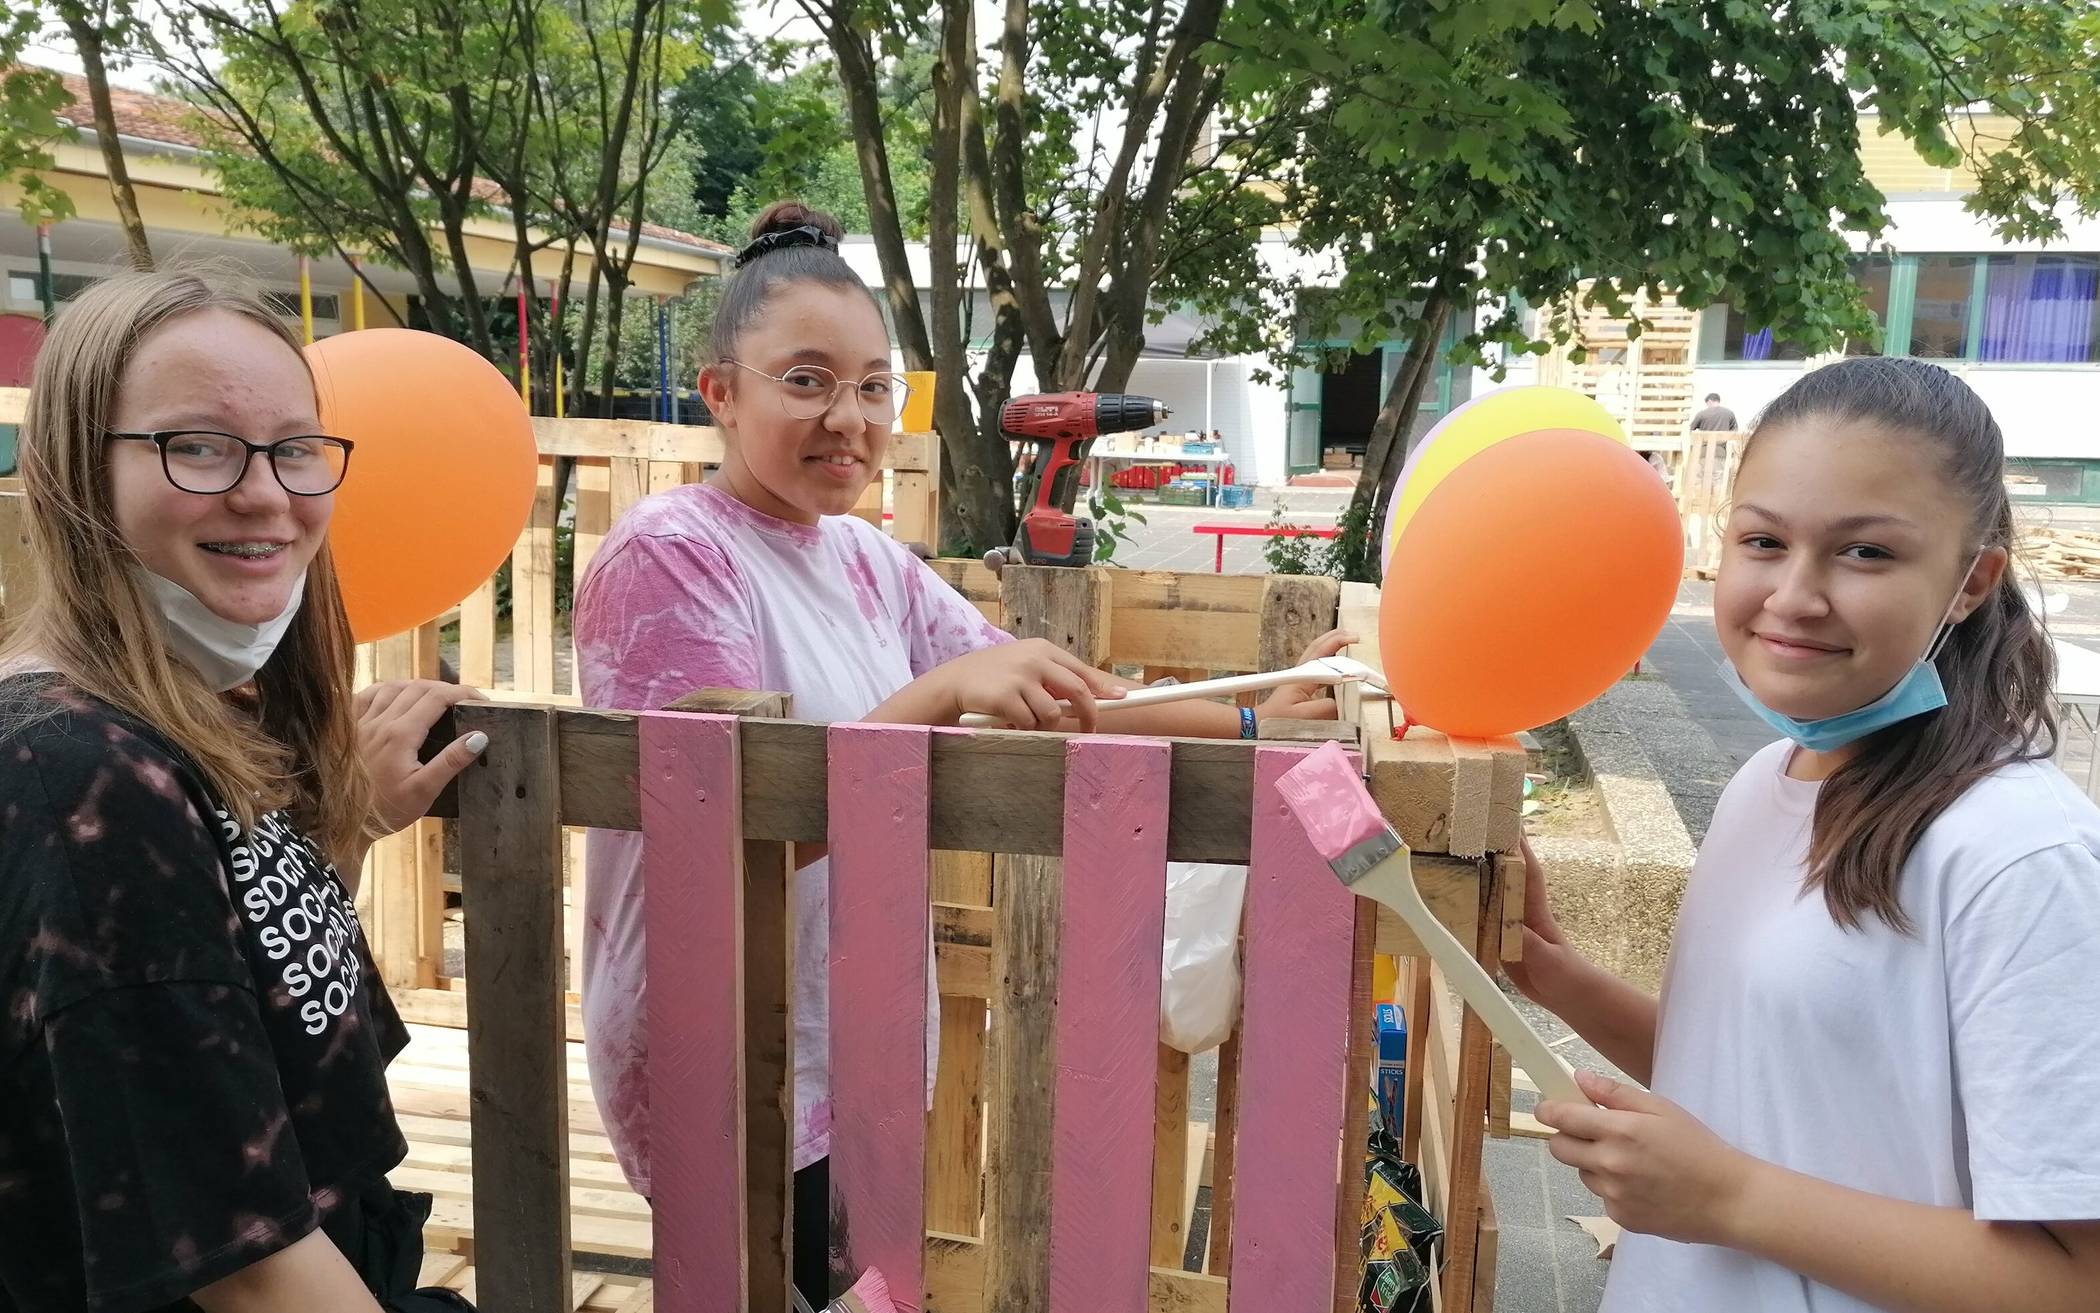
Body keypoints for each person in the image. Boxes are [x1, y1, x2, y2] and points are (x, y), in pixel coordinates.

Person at [573, 201, 1348, 1305]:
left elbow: (1048, 691)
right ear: (720, 392)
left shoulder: (863, 558)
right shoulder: (672, 557)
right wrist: (939, 693)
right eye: (806, 379)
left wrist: (1259, 712)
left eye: (874, 385)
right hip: (725, 1045)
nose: (849, 416)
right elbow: (708, 853)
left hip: (849, 1032)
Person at [1520, 357, 2100, 1311]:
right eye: (1763, 541)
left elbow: (2074, 1277)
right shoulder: (1766, 782)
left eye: (1865, 552)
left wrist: (1730, 1198)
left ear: (1970, 580)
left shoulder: (2020, 859)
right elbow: (1754, 1074)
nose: (1795, 592)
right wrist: (1554, 976)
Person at [0, 271, 487, 1312]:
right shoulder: (83, 779)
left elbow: (226, 999)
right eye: (198, 444)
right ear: (64, 473)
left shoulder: (186, 714)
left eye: (296, 448)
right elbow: (251, 1269)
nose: (267, 492)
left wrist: (340, 832)